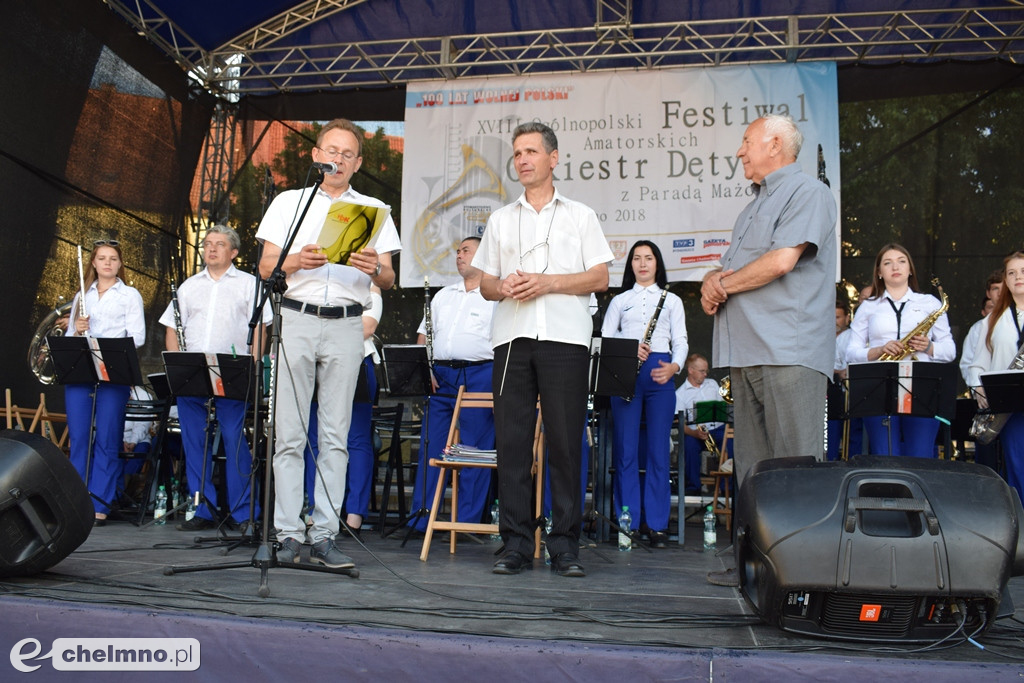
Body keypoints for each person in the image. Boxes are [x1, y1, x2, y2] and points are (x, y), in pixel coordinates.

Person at [256, 118, 400, 570]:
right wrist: (298, 259)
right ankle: (286, 533)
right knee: (289, 436)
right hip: (295, 320)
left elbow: (391, 278)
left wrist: (375, 266)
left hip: (345, 324)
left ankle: (324, 534)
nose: (337, 158)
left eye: (347, 153)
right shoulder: (289, 203)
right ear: (315, 154)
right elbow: (264, 268)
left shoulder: (374, 208)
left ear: (357, 163)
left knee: (335, 435)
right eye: (330, 150)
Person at [699, 114, 837, 586]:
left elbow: (781, 261)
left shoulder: (809, 193)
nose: (740, 152)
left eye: (746, 142)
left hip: (788, 349)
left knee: (796, 467)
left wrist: (724, 286)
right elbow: (726, 270)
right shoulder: (750, 208)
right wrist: (710, 282)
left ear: (774, 144)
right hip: (747, 351)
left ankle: (806, 574)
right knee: (754, 473)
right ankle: (757, 568)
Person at [475, 121, 613, 577]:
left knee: (565, 444)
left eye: (531, 151)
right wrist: (505, 285)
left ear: (553, 158)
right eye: (517, 153)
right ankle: (515, 543)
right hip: (512, 339)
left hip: (565, 339)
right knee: (512, 444)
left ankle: (565, 545)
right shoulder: (500, 219)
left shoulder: (581, 215)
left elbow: (600, 278)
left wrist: (548, 282)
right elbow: (485, 285)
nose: (522, 160)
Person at [159, 226, 268, 532]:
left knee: (235, 440)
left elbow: (261, 327)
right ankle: (203, 509)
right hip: (192, 369)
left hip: (232, 369)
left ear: (234, 252)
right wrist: (176, 363)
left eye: (220, 244)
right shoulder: (188, 286)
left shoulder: (250, 285)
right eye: (207, 244)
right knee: (193, 441)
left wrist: (254, 364)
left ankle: (244, 512)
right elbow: (171, 327)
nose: (211, 249)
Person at [601, 240, 687, 548]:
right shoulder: (619, 300)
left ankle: (658, 525)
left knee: (658, 452)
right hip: (625, 374)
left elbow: (682, 341)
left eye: (648, 258)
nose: (642, 263)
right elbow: (605, 339)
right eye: (636, 258)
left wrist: (675, 367)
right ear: (631, 265)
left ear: (657, 263)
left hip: (660, 373)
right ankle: (629, 521)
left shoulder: (673, 300)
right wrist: (628, 347)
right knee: (625, 451)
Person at [408, 236, 496, 533]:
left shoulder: (496, 295)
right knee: (431, 447)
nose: (459, 255)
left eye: (466, 251)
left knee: (474, 451)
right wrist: (426, 369)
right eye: (457, 251)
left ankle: (466, 524)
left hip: (481, 375)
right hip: (440, 376)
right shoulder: (443, 294)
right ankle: (422, 520)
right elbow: (424, 335)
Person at [845, 243, 955, 456]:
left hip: (922, 386)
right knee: (885, 456)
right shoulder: (868, 306)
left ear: (910, 269)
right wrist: (878, 350)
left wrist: (930, 347)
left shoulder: (930, 303)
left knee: (921, 456)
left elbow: (950, 350)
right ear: (879, 272)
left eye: (901, 261)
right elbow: (850, 353)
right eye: (887, 263)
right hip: (879, 387)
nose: (895, 266)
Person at [65, 239, 146, 526]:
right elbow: (68, 341)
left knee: (108, 438)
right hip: (81, 371)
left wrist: (103, 342)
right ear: (94, 263)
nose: (108, 263)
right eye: (102, 258)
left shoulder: (130, 295)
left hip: (113, 371)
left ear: (120, 264)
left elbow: (138, 336)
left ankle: (99, 502)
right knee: (79, 438)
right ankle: (75, 500)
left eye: (113, 258)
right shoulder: (81, 297)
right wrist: (77, 329)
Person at [303, 289, 382, 536]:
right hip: (317, 361)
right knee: (314, 440)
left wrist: (325, 336)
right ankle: (316, 510)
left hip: (357, 360)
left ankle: (354, 513)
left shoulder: (369, 289)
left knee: (356, 440)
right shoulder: (321, 288)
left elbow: (367, 328)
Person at [968, 251, 1024, 502]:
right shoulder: (994, 318)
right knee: (1017, 466)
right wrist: (978, 389)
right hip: (1009, 408)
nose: (1018, 277)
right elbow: (977, 363)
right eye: (1011, 273)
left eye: (1023, 271)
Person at [675, 353, 729, 497]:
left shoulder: (712, 384)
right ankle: (694, 487)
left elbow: (722, 408)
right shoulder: (680, 394)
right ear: (691, 370)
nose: (705, 374)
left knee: (732, 442)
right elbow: (678, 424)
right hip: (696, 434)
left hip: (718, 429)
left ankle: (726, 487)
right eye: (702, 371)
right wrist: (694, 433)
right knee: (689, 446)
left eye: (706, 371)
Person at [827, 301, 863, 460]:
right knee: (829, 435)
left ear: (847, 318)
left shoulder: (853, 337)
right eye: (830, 317)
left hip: (850, 392)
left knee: (853, 434)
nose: (834, 321)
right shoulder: (822, 337)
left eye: (837, 317)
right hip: (830, 392)